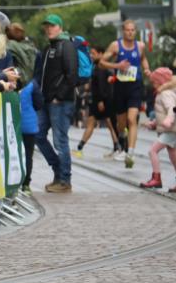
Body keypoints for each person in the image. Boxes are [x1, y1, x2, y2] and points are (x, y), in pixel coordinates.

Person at [35, 14, 79, 193]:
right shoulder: (49, 48)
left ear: (60, 27)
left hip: (60, 102)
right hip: (47, 101)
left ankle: (64, 180)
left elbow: (72, 75)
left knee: (60, 140)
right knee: (37, 134)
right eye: (47, 26)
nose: (49, 29)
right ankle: (58, 170)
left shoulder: (66, 46)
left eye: (52, 26)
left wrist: (58, 97)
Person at [100, 19, 151, 167]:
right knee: (121, 124)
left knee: (132, 119)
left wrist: (146, 69)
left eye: (133, 30)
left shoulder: (140, 46)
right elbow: (102, 63)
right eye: (127, 30)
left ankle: (130, 153)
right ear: (123, 31)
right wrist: (117, 65)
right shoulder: (116, 45)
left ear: (135, 31)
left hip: (135, 86)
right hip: (120, 87)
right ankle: (123, 137)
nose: (130, 32)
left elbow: (143, 59)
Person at [139, 67, 176, 192]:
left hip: (171, 129)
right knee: (173, 155)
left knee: (153, 151)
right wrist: (154, 123)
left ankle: (156, 179)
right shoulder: (165, 93)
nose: (153, 84)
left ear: (161, 81)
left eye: (154, 82)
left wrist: (169, 120)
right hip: (172, 129)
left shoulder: (166, 94)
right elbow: (162, 114)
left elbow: (171, 109)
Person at [73, 45, 118, 158]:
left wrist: (101, 101)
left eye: (94, 53)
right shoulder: (99, 67)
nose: (91, 56)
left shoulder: (101, 68)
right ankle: (117, 147)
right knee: (108, 124)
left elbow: (102, 86)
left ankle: (80, 148)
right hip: (102, 100)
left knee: (97, 124)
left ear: (101, 54)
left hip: (101, 101)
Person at [19, 78, 40, 195]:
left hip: (12, 124)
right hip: (28, 125)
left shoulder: (7, 78)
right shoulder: (32, 84)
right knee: (28, 155)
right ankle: (26, 184)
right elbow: (39, 103)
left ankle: (14, 183)